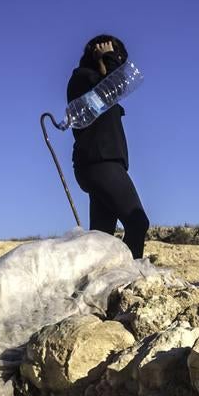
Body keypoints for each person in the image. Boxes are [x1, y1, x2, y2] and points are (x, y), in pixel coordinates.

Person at [67, 34, 149, 258]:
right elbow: (115, 87)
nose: (119, 63)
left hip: (101, 163)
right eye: (117, 57)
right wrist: (107, 57)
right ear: (97, 55)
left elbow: (111, 89)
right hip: (101, 162)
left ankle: (97, 282)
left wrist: (108, 62)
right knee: (137, 222)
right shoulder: (83, 78)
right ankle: (129, 276)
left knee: (101, 237)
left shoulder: (94, 84)